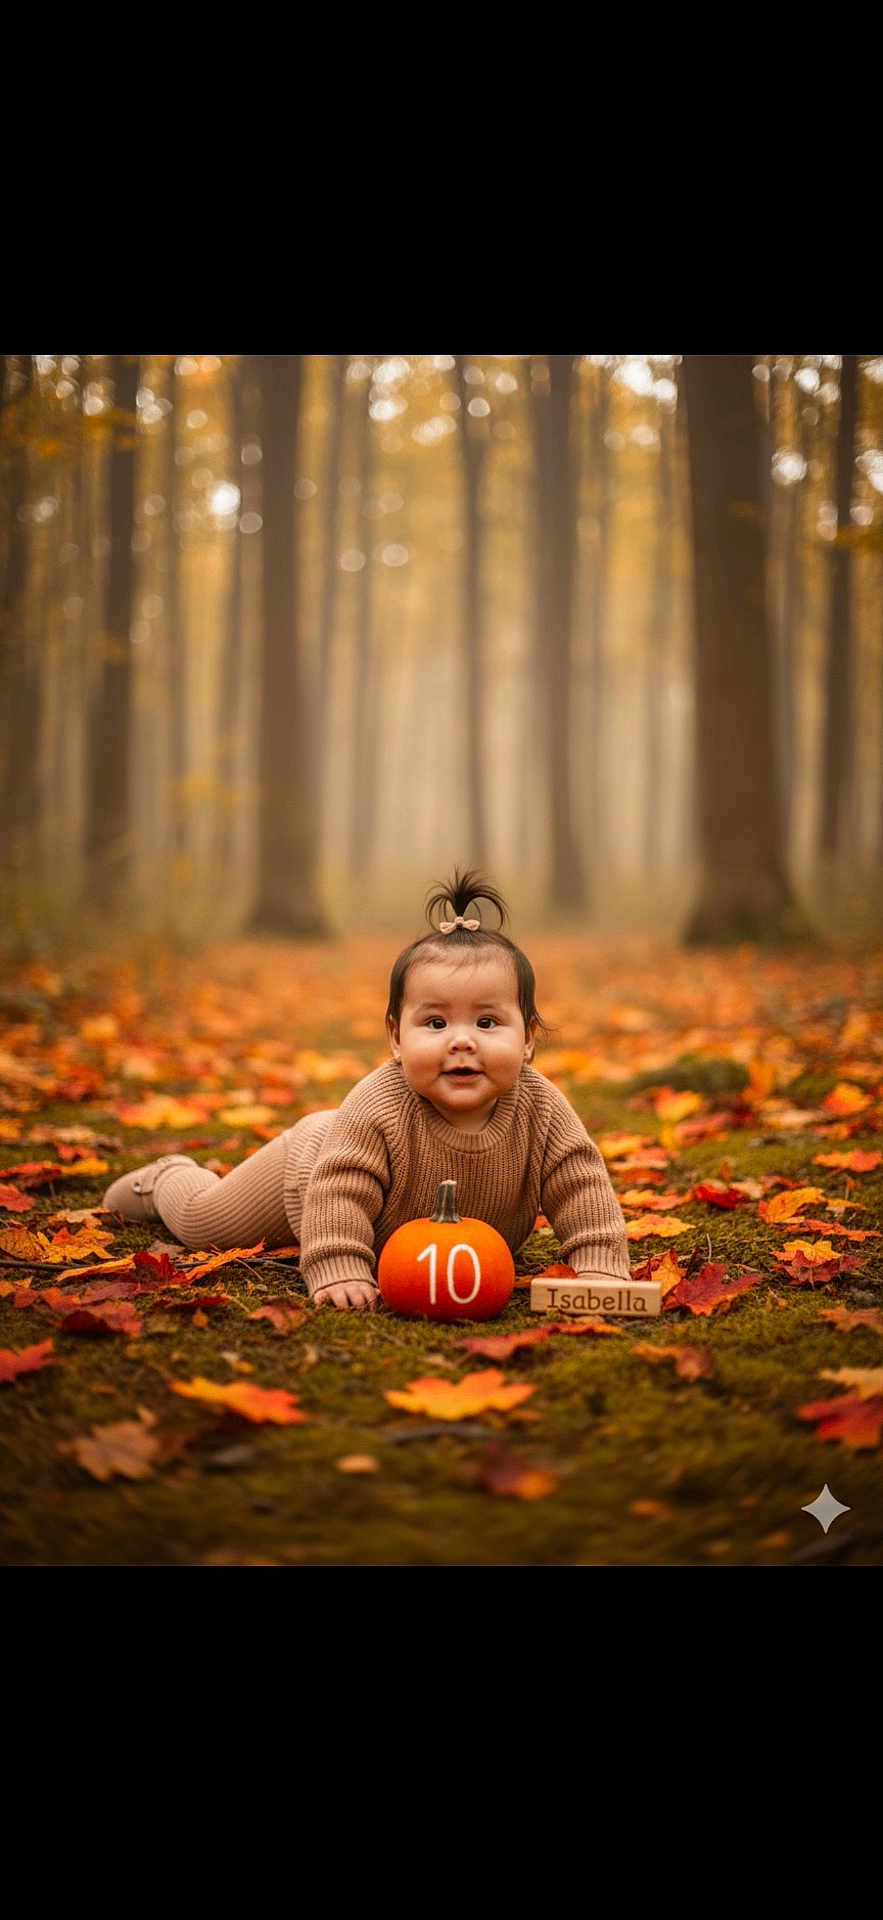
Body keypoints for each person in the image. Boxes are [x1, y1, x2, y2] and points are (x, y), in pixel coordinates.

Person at [102, 868, 631, 1312]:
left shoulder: (540, 1106)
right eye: (436, 1023)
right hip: (309, 1168)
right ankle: (167, 1178)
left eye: (489, 1022)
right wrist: (338, 1267)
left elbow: (579, 1183)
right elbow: (339, 1189)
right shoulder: (379, 1102)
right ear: (395, 1038)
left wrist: (600, 1267)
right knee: (203, 1224)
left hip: (430, 1249)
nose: (463, 1041)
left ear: (529, 1039)